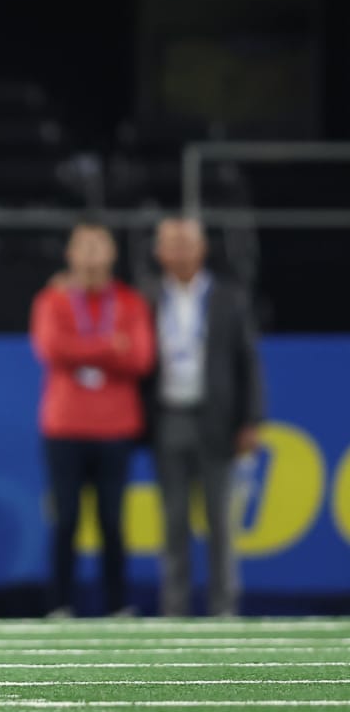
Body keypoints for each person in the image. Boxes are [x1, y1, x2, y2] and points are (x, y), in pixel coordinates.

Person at [30, 223, 154, 618]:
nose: (89, 255)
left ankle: (117, 605)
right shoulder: (52, 301)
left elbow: (140, 358)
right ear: (70, 254)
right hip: (65, 426)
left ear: (112, 255)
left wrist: (84, 350)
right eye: (82, 247)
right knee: (65, 519)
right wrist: (107, 345)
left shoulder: (131, 303)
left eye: (97, 247)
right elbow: (52, 348)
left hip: (115, 427)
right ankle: (59, 605)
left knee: (112, 522)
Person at [145, 216, 265, 618]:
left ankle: (224, 610)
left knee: (220, 523)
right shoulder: (144, 298)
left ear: (202, 248)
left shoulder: (228, 297)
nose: (179, 250)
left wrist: (251, 420)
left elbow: (248, 362)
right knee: (173, 523)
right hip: (168, 417)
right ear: (159, 251)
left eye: (186, 242)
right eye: (171, 243)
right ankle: (173, 611)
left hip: (217, 420)